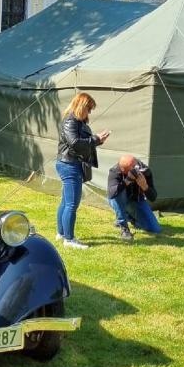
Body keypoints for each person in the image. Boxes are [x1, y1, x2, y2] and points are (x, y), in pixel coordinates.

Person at [55, 92, 109, 249]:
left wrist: (98, 141)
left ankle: (61, 233)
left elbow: (82, 143)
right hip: (69, 165)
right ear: (81, 106)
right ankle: (69, 239)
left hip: (70, 164)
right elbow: (75, 143)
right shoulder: (70, 121)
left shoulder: (77, 121)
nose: (90, 112)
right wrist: (96, 139)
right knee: (72, 204)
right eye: (89, 108)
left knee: (66, 201)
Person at [107, 154, 160, 241]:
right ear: (123, 170)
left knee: (155, 229)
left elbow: (153, 197)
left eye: (136, 165)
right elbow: (112, 193)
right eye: (132, 168)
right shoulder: (115, 171)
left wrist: (145, 187)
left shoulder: (145, 171)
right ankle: (124, 227)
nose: (136, 169)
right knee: (117, 195)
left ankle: (130, 217)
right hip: (120, 200)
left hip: (136, 201)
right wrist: (127, 181)